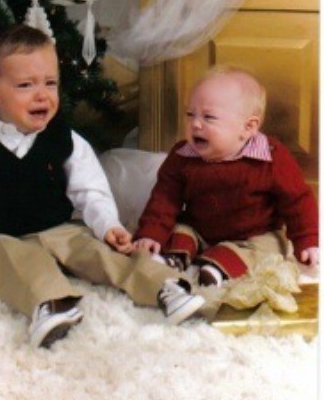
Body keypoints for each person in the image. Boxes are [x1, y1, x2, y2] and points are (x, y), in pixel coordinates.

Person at [0, 24, 205, 348]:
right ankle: (52, 303)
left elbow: (90, 190)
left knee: (99, 250)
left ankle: (165, 286)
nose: (42, 95)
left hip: (59, 228)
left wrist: (108, 224)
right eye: (25, 85)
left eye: (50, 83)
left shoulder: (64, 139)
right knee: (10, 259)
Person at [133, 65, 319, 289]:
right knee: (179, 228)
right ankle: (176, 258)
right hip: (200, 228)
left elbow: (297, 201)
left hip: (253, 234)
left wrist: (308, 240)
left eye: (209, 117)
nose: (195, 124)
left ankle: (216, 267)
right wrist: (151, 233)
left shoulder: (271, 157)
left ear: (248, 127)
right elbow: (165, 198)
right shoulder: (183, 155)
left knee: (268, 250)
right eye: (190, 114)